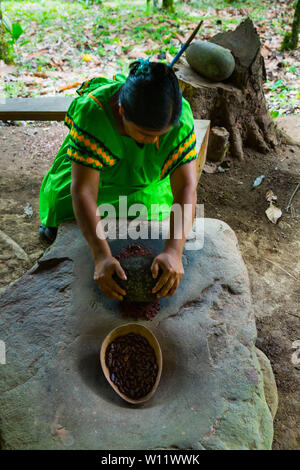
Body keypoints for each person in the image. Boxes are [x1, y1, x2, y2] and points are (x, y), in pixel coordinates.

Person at [39, 58, 198, 301]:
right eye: (144, 134)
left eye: (160, 136)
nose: (152, 141)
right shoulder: (94, 114)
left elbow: (186, 186)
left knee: (145, 209)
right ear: (121, 110)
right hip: (93, 176)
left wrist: (174, 251)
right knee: (66, 204)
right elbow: (83, 191)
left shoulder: (179, 117)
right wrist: (102, 256)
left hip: (143, 175)